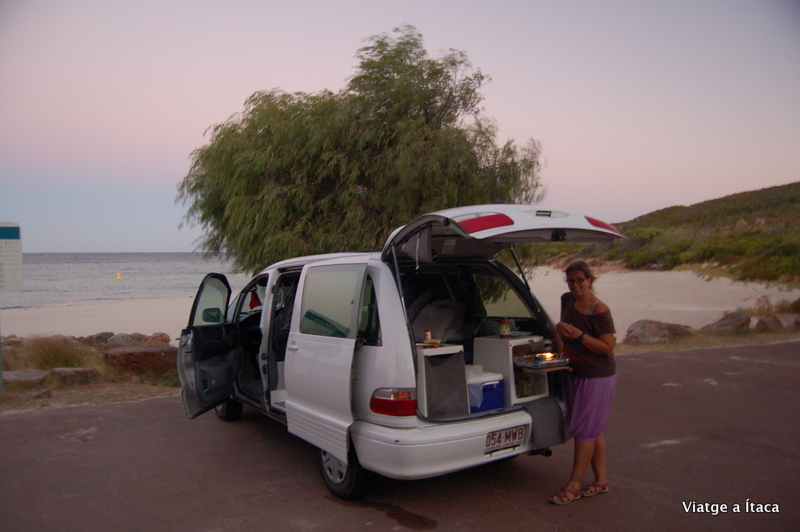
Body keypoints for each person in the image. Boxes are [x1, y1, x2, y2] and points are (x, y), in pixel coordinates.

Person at [550, 260, 617, 505]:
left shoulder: (599, 309)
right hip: (573, 371)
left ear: (589, 280)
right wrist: (560, 329)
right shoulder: (567, 300)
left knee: (585, 431)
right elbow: (563, 328)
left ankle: (573, 485)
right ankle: (601, 481)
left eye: (580, 280)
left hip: (596, 375)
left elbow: (607, 348)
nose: (576, 285)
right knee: (592, 429)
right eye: (571, 280)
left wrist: (579, 335)